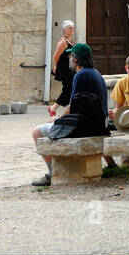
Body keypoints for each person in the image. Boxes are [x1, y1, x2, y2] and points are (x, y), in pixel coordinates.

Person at [31, 43, 108, 187]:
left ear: (76, 59)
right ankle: (112, 165)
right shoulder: (95, 73)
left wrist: (58, 119)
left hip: (85, 126)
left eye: (71, 56)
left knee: (37, 132)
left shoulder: (80, 75)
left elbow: (73, 106)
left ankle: (51, 173)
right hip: (99, 124)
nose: (69, 59)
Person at [47, 20, 76, 116]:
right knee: (68, 89)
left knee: (71, 88)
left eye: (73, 27)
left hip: (70, 68)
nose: (72, 29)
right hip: (64, 69)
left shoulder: (70, 40)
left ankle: (68, 108)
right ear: (64, 30)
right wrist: (56, 66)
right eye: (70, 28)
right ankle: (53, 108)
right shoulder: (63, 42)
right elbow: (56, 56)